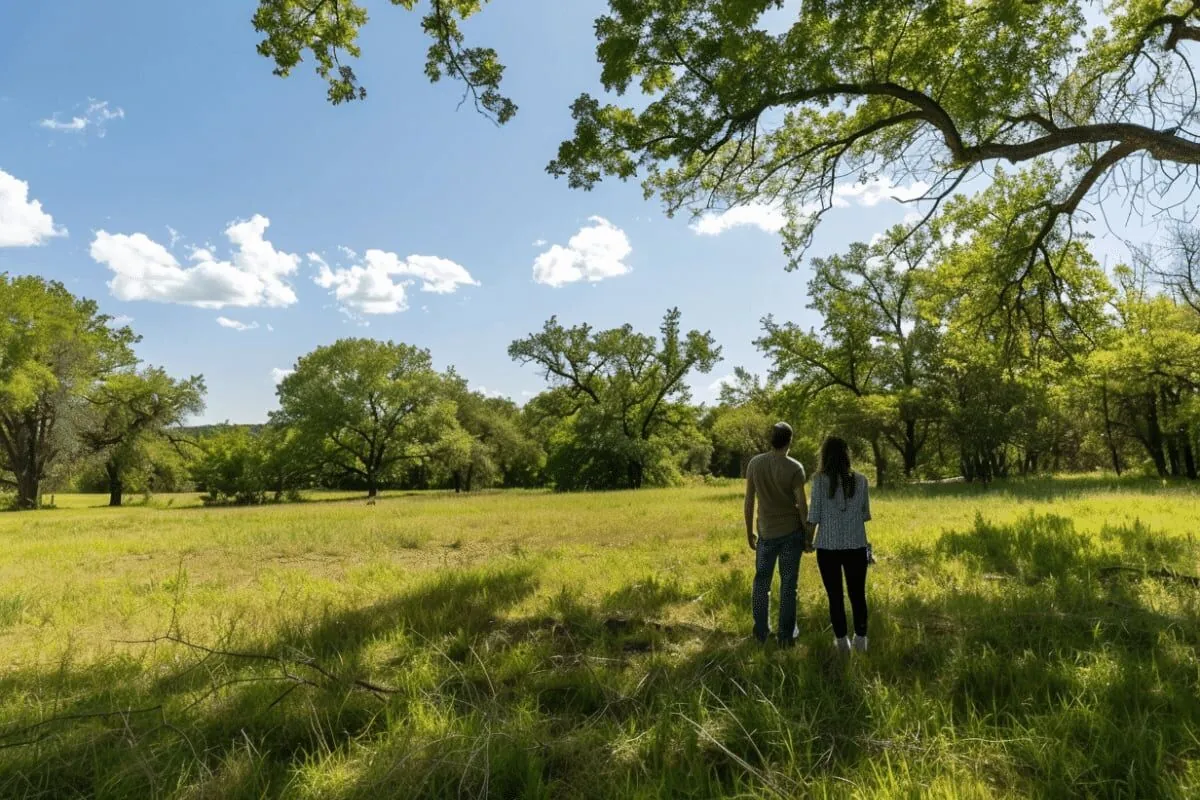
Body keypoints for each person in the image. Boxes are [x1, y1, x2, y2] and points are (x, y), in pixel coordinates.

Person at [743, 422, 812, 646]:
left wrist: (748, 531)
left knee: (761, 584)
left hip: (765, 532)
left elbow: (749, 500)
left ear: (770, 440)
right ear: (790, 440)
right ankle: (785, 637)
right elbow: (802, 505)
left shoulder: (755, 463)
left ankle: (761, 633)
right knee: (788, 585)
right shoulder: (794, 467)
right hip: (791, 533)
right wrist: (808, 535)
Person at [808, 436, 872, 655]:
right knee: (857, 594)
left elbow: (813, 515)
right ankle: (861, 640)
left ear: (824, 455)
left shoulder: (818, 481)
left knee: (835, 595)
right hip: (856, 545)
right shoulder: (862, 480)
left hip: (827, 547)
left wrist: (807, 541)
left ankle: (842, 642)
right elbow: (864, 514)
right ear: (847, 455)